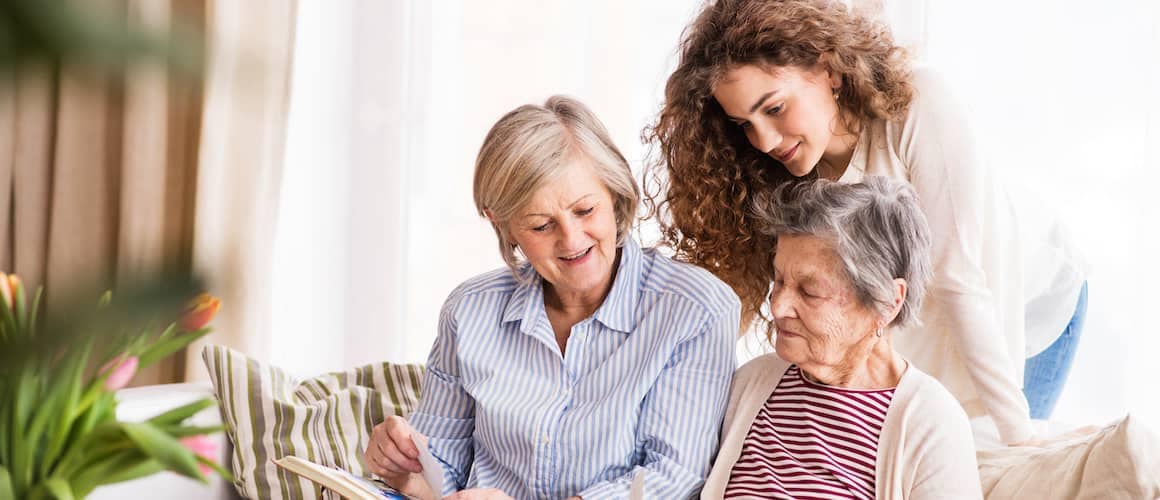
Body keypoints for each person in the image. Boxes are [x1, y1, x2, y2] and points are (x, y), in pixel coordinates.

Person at [644, 0, 1087, 443]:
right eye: (745, 124)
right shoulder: (780, 172)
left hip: (1028, 302)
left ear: (829, 71)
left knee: (997, 456)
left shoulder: (919, 107)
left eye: (775, 108)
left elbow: (960, 282)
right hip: (931, 316)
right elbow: (733, 305)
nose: (765, 140)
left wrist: (1021, 440)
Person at [364, 95, 740, 499]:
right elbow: (440, 474)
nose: (572, 240)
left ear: (614, 195)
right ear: (504, 226)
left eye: (585, 210)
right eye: (541, 226)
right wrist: (407, 472)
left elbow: (673, 479)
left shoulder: (696, 309)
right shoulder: (468, 311)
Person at [701, 177, 981, 499]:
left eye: (810, 291)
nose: (777, 307)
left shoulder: (930, 423)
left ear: (888, 302)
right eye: (778, 280)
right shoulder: (752, 383)